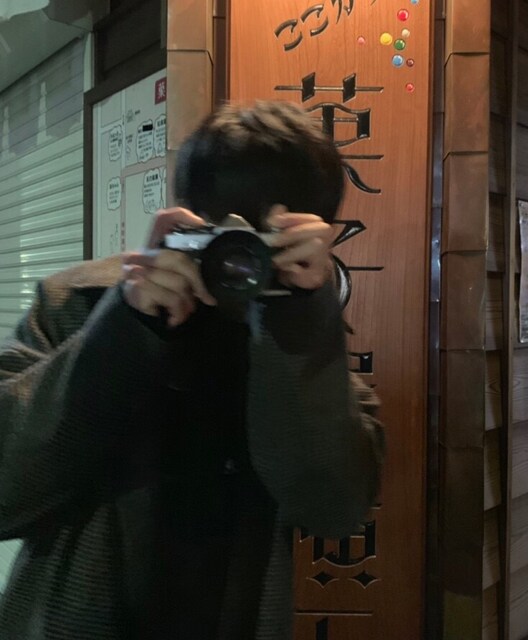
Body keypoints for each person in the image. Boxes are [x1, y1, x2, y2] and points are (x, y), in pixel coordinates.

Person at [0, 101, 384, 639]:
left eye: (262, 241)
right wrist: (126, 326)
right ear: (186, 214)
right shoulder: (79, 305)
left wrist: (299, 322)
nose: (237, 257)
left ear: (316, 236)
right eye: (220, 232)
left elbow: (331, 509)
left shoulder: (306, 341)